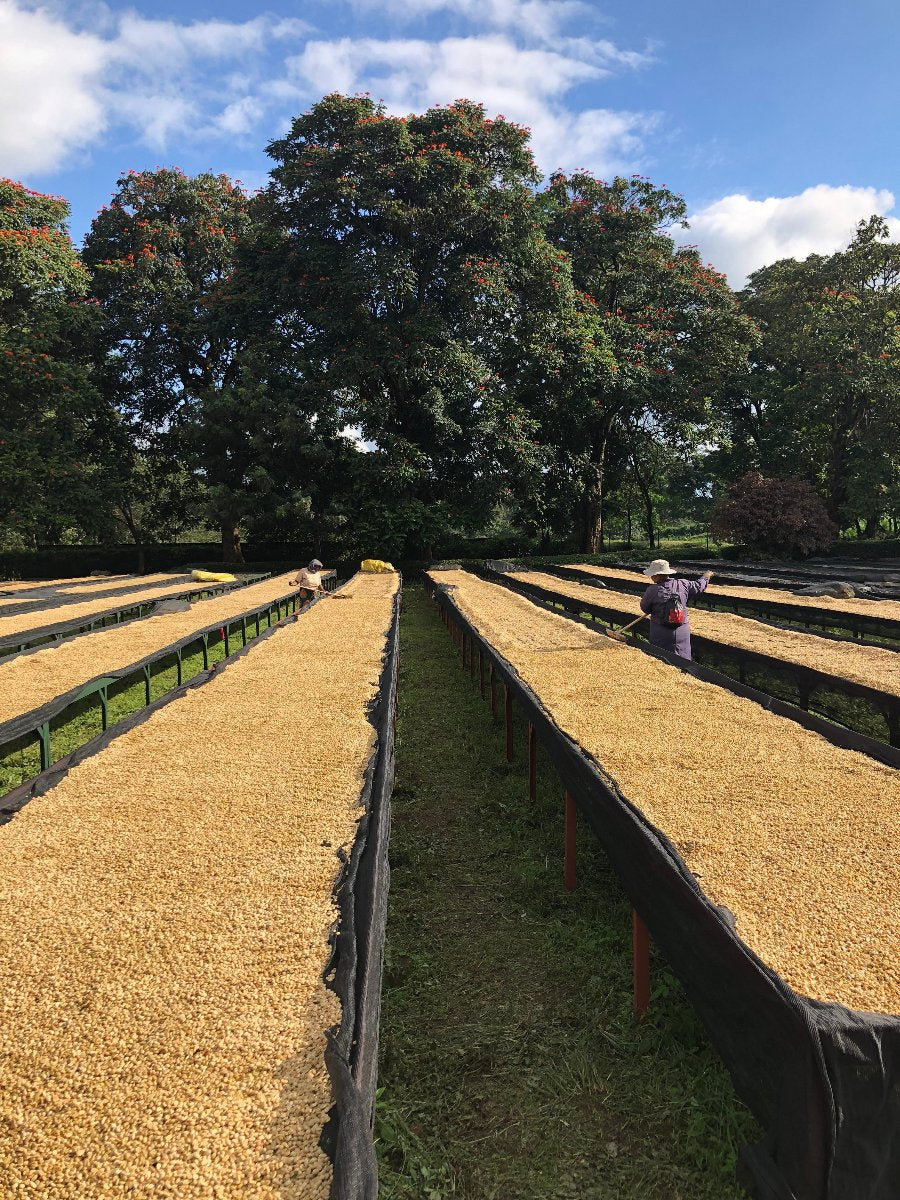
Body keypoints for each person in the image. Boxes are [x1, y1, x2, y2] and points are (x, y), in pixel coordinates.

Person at [639, 559, 713, 661]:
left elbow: (645, 608)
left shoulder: (652, 590)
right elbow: (699, 586)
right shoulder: (683, 584)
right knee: (683, 662)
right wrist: (706, 576)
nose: (651, 577)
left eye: (652, 575)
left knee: (661, 661)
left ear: (656, 575)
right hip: (681, 631)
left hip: (661, 633)